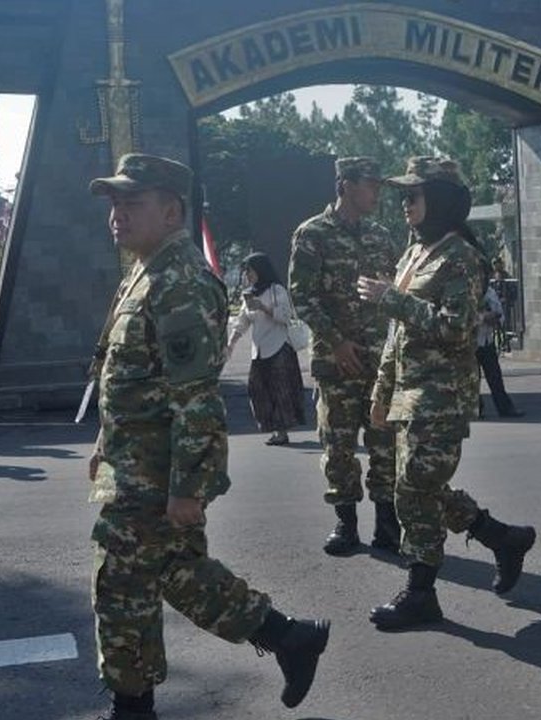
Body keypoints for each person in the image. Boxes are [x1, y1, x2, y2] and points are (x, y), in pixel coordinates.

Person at [86, 154, 329, 719]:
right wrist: (105, 444)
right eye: (114, 204)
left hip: (158, 474)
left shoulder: (181, 283)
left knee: (121, 585)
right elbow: (130, 377)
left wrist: (187, 488)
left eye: (133, 202)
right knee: (175, 573)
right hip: (134, 465)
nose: (118, 215)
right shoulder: (146, 272)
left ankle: (132, 708)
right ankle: (290, 638)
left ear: (171, 211)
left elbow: (195, 397)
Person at [357, 156, 536, 631]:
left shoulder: (461, 257)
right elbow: (398, 337)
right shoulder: (415, 252)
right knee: (421, 487)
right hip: (408, 394)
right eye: (402, 196)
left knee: (413, 490)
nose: (404, 205)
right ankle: (501, 537)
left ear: (438, 200)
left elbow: (456, 329)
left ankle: (421, 594)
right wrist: (381, 391)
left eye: (413, 196)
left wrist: (391, 298)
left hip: (440, 397)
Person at [289, 157, 403, 556]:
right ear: (345, 185)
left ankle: (388, 524)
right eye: (370, 185)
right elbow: (302, 296)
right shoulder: (312, 234)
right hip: (335, 363)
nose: (376, 193)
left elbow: (397, 289)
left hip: (377, 360)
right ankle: (346, 524)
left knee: (384, 443)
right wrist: (336, 342)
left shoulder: (381, 235)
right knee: (338, 445)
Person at [226, 252, 306, 446]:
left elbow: (285, 317)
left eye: (250, 270)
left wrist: (263, 307)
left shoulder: (276, 290)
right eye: (246, 271)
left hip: (279, 347)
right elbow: (242, 321)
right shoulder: (249, 293)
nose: (248, 275)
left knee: (280, 390)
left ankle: (282, 431)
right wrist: (231, 343)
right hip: (259, 349)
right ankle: (271, 427)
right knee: (257, 389)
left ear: (261, 270)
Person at [476, 279, 524, 418]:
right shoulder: (464, 293)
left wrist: (494, 318)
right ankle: (476, 410)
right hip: (470, 341)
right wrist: (482, 317)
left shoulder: (489, 292)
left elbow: (500, 315)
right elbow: (462, 316)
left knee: (495, 377)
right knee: (473, 379)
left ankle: (505, 408)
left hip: (487, 340)